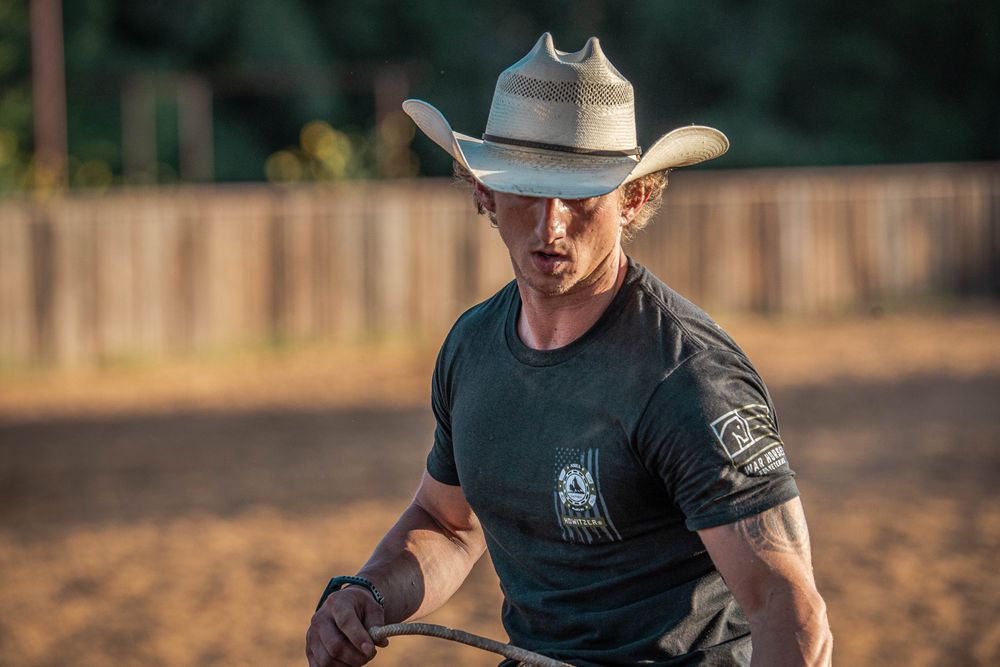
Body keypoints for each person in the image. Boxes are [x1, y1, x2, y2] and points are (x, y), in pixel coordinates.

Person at [306, 33, 832, 667]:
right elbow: (449, 524)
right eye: (525, 188)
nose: (550, 224)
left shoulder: (687, 378)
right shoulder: (472, 349)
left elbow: (786, 606)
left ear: (633, 198)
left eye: (581, 194)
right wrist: (370, 592)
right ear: (483, 193)